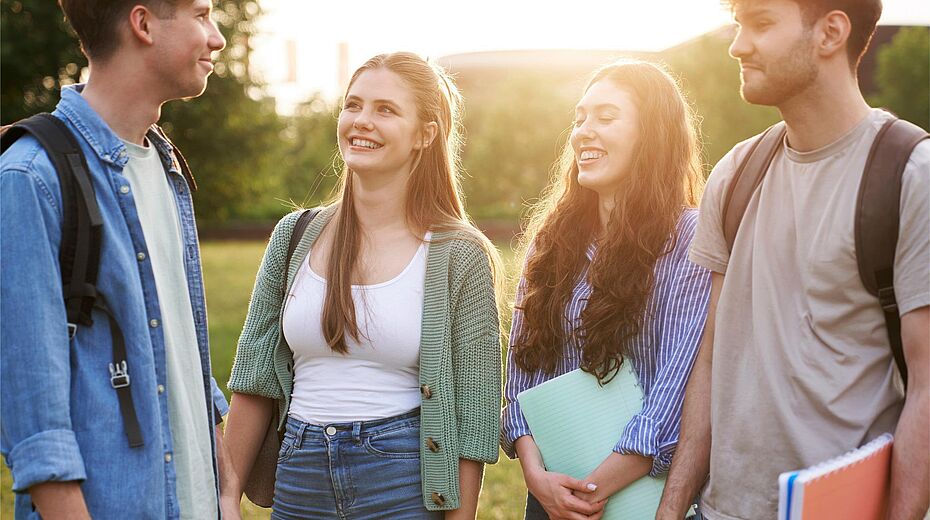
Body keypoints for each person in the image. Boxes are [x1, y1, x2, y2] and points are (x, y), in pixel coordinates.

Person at [656, 1, 929, 519]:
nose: (737, 45)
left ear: (830, 33)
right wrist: (672, 509)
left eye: (760, 24)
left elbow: (928, 387)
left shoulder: (910, 175)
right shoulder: (734, 175)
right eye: (738, 25)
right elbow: (712, 359)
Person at [221, 52, 503, 519]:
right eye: (353, 105)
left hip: (400, 482)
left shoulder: (459, 254)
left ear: (425, 134)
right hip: (299, 478)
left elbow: (472, 419)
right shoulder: (293, 235)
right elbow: (255, 380)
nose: (362, 121)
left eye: (386, 110)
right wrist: (226, 498)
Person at [0, 1, 234, 519]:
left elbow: (176, 342)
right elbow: (34, 421)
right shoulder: (29, 178)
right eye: (201, 15)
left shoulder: (167, 167)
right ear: (143, 23)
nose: (217, 38)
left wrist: (223, 482)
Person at [501, 59, 711, 520]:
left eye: (606, 117)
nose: (583, 132)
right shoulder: (551, 243)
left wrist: (590, 490)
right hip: (550, 498)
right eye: (580, 118)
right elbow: (522, 377)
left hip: (641, 497)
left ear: (651, 134)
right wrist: (540, 481)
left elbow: (675, 391)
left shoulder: (690, 241)